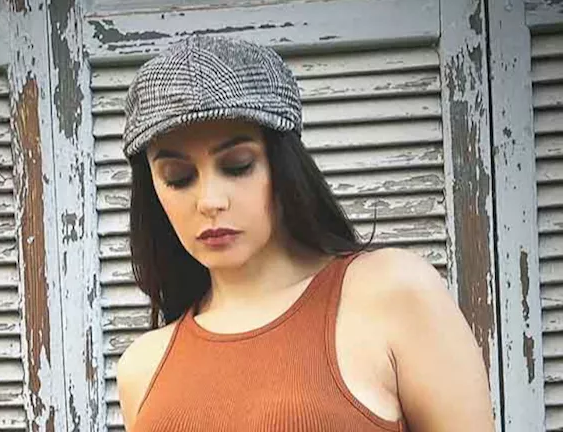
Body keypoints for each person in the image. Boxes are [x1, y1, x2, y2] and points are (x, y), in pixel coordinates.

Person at [116, 35, 494, 431]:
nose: (210, 201)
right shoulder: (142, 369)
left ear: (284, 164)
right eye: (178, 177)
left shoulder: (393, 294)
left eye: (238, 165)